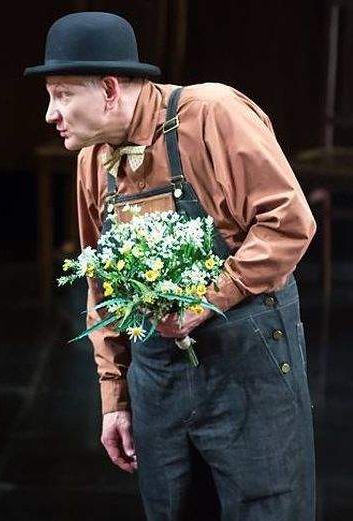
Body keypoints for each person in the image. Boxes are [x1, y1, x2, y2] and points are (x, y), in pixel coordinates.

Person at [25, 12, 316, 521]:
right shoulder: (92, 160)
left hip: (246, 368)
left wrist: (206, 298)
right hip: (157, 381)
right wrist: (115, 398)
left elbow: (288, 223)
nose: (51, 114)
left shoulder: (211, 114)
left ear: (109, 89)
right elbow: (101, 283)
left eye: (62, 95)